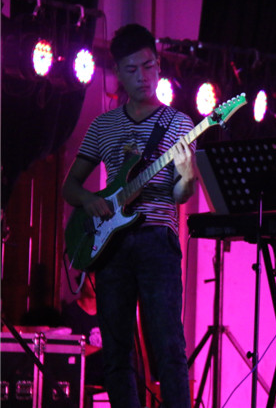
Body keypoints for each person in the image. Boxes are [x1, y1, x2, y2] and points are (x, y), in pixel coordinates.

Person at [62, 23, 196, 408]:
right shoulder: (104, 125)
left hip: (157, 239)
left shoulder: (179, 123)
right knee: (117, 350)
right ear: (118, 73)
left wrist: (187, 175)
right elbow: (70, 186)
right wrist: (90, 201)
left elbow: (181, 195)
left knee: (168, 346)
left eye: (149, 66)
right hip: (111, 244)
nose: (143, 77)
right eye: (133, 69)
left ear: (159, 66)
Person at [60, 273, 104, 388]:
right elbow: (75, 347)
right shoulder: (71, 313)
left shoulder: (108, 313)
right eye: (92, 278)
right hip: (84, 375)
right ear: (83, 280)